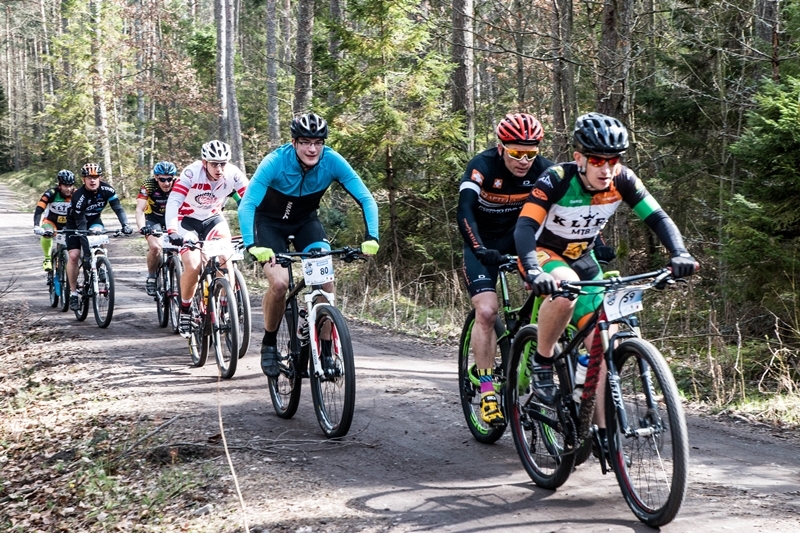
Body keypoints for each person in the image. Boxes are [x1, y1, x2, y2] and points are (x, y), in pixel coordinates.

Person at [514, 112, 696, 447]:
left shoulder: (622, 180)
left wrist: (679, 253)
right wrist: (533, 270)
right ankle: (542, 359)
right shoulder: (556, 179)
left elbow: (657, 217)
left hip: (584, 257)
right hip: (542, 252)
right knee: (565, 291)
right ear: (579, 158)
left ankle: (598, 432)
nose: (606, 168)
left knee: (603, 344)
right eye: (598, 160)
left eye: (613, 160)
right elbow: (525, 226)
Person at [237, 112, 379, 378]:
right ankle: (269, 343)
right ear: (294, 142)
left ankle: (325, 350)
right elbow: (247, 205)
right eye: (305, 142)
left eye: (318, 142)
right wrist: (252, 245)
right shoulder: (275, 162)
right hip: (268, 225)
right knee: (280, 284)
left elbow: (366, 198)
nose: (312, 149)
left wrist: (372, 237)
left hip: (305, 223)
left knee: (325, 283)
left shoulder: (332, 161)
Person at [456, 112, 554, 427]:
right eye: (516, 153)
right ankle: (487, 392)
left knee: (553, 291)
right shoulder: (482, 166)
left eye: (530, 154)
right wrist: (478, 248)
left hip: (519, 240)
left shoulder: (545, 170)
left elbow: (570, 209)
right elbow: (465, 210)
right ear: (501, 147)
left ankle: (534, 352)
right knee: (486, 311)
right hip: (482, 242)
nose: (524, 161)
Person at [165, 140, 248, 337]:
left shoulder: (234, 174)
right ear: (204, 163)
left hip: (213, 218)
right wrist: (172, 231)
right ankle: (185, 311)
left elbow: (250, 200)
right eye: (214, 164)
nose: (219, 169)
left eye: (223, 163)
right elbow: (174, 201)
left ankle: (226, 305)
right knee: (193, 266)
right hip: (187, 220)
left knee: (226, 257)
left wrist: (257, 229)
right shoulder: (191, 173)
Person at [66, 163, 134, 311]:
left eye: (95, 177)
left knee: (98, 234)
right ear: (83, 179)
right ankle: (73, 293)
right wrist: (86, 253)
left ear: (100, 178)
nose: (92, 180)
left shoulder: (107, 190)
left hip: (94, 220)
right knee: (74, 256)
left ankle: (100, 263)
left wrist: (125, 225)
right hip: (75, 224)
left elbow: (118, 208)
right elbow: (81, 224)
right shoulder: (79, 196)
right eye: (89, 177)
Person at [136, 161, 178, 296]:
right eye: (162, 179)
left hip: (173, 218)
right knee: (155, 247)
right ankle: (152, 277)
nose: (166, 183)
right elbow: (139, 210)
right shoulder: (148, 185)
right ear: (156, 178)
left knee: (179, 248)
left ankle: (177, 272)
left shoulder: (179, 184)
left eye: (169, 179)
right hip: (153, 218)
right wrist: (142, 227)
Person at [33, 170, 76, 271]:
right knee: (47, 233)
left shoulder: (76, 194)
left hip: (69, 223)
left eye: (70, 185)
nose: (68, 189)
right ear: (60, 185)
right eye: (65, 186)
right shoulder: (51, 193)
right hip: (51, 222)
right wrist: (36, 225)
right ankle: (47, 258)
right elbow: (39, 209)